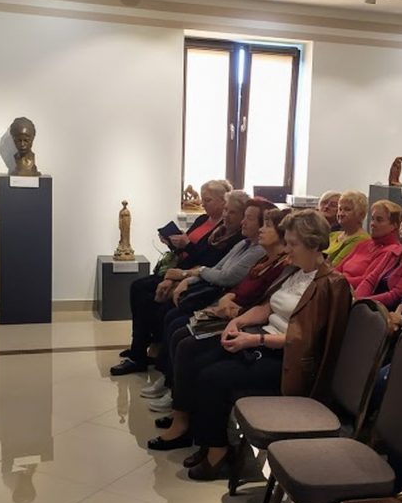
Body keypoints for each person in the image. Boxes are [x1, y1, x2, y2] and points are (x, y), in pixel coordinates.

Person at [149, 210, 352, 481]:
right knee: (196, 356)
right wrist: (238, 322)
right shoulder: (295, 271)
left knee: (212, 376)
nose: (287, 250)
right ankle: (204, 437)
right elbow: (268, 306)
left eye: (293, 244)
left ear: (314, 245)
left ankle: (218, 452)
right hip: (263, 339)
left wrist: (255, 340)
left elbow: (305, 341)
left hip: (287, 361)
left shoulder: (330, 284)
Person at [144, 204, 286, 410]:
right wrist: (191, 280)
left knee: (182, 335)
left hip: (236, 315)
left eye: (251, 219)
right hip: (226, 304)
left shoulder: (267, 258)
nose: (243, 222)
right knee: (171, 318)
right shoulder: (252, 251)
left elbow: (228, 279)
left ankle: (178, 397)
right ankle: (170, 382)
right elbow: (218, 271)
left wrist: (231, 306)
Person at [111, 188, 247, 376]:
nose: (203, 203)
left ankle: (142, 351)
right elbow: (192, 253)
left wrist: (182, 272)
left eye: (208, 200)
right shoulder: (207, 223)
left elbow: (208, 262)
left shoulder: (235, 238)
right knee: (138, 287)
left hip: (195, 278)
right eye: (226, 210)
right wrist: (171, 243)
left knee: (148, 297)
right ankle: (140, 346)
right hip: (184, 270)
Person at [335, 199, 402, 289]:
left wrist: (335, 281)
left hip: (351, 291)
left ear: (394, 225)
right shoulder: (363, 244)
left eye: (379, 220)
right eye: (373, 219)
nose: (373, 223)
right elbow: (338, 268)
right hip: (338, 286)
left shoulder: (391, 251)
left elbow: (365, 281)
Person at [324, 190, 370, 267]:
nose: (341, 214)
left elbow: (335, 266)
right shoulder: (334, 234)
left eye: (347, 209)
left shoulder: (361, 239)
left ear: (361, 215)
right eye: (340, 209)